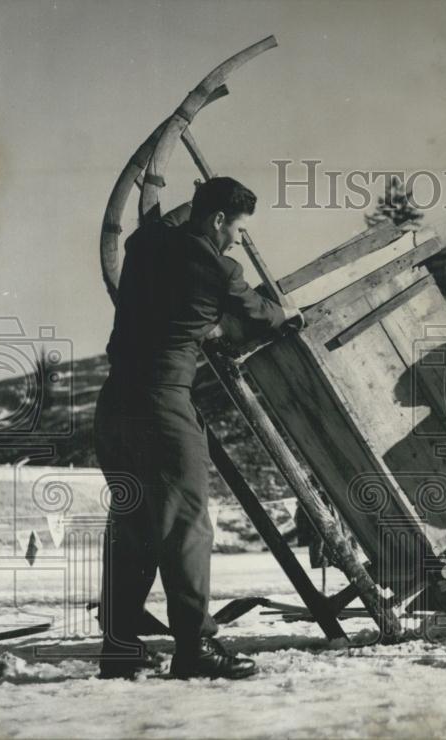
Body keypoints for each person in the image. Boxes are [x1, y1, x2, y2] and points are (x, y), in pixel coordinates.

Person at [95, 177, 302, 679]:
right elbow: (259, 317)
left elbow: (160, 223)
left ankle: (119, 648)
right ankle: (193, 648)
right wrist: (287, 313)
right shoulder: (219, 268)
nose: (236, 240)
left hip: (114, 405)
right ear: (216, 221)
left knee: (136, 525)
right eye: (236, 228)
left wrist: (194, 199)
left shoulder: (146, 246)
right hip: (163, 406)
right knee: (186, 522)